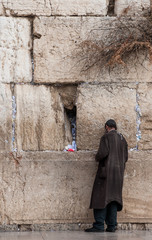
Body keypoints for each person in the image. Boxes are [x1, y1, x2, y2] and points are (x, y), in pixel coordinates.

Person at [85, 119, 128, 233]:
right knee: (113, 199)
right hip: (118, 175)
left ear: (107, 127)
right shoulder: (122, 139)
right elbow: (126, 157)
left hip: (106, 173)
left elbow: (102, 153)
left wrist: (96, 157)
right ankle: (111, 225)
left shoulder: (106, 137)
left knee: (100, 198)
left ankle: (99, 225)